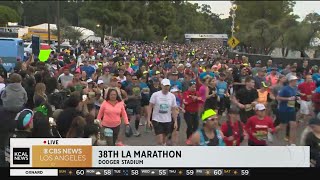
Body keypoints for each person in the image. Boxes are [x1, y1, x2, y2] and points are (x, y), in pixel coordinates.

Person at [146, 78, 178, 145]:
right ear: (161, 85)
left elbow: (174, 109)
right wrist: (148, 119)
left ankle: (163, 148)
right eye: (165, 85)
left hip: (167, 120)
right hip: (157, 120)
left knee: (164, 140)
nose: (166, 87)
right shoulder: (155, 95)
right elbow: (150, 106)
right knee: (159, 140)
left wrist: (175, 121)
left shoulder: (172, 96)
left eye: (168, 86)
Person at [277, 75, 299, 145]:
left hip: (291, 109)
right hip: (284, 110)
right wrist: (288, 99)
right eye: (295, 81)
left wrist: (297, 98)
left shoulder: (295, 88)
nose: (296, 82)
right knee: (282, 126)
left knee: (293, 125)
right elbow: (278, 97)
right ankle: (270, 131)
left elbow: (294, 96)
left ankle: (291, 143)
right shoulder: (285, 89)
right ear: (291, 81)